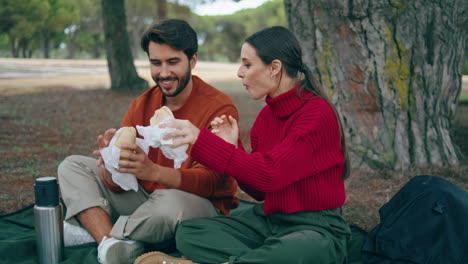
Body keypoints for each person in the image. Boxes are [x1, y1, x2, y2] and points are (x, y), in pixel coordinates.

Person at [137, 26, 352, 264]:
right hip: (270, 222)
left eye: (247, 65)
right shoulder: (265, 119)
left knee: (298, 250)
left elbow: (270, 175)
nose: (240, 73)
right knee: (190, 233)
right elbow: (259, 192)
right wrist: (233, 148)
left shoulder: (316, 113)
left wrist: (202, 140)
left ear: (274, 68)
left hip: (316, 228)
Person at [57, 19, 240, 264]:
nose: (163, 73)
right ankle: (109, 242)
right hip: (145, 198)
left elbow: (210, 183)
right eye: (156, 63)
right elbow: (119, 185)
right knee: (72, 166)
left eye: (173, 62)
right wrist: (112, 164)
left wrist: (152, 171)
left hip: (198, 204)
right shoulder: (142, 104)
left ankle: (100, 233)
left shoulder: (218, 108)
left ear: (192, 60)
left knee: (169, 204)